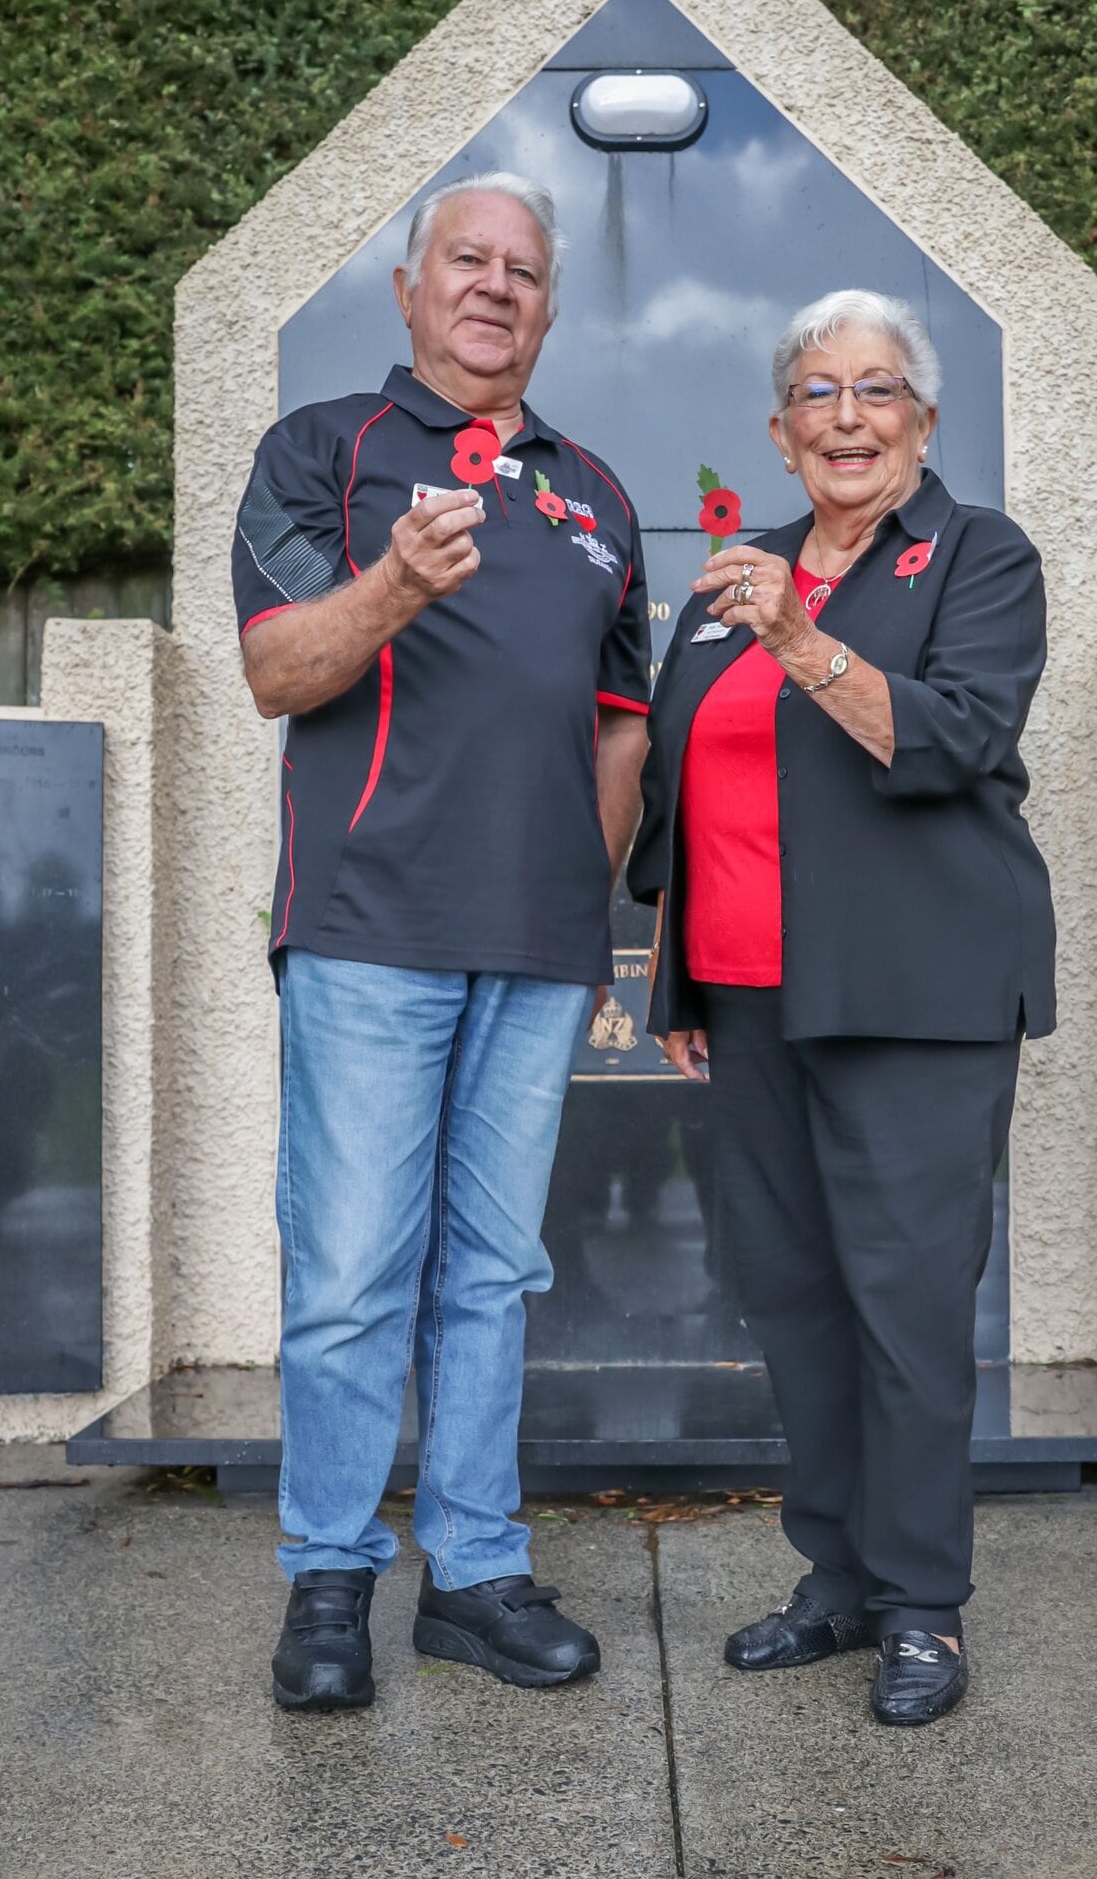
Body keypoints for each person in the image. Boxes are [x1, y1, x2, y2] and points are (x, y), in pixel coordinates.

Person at [232, 171, 651, 1711]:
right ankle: (328, 1581)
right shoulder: (322, 452)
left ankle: (472, 1574)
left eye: (523, 271)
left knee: (491, 1272)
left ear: (547, 308)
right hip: (365, 930)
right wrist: (396, 584)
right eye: (465, 262)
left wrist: (575, 900)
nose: (494, 287)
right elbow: (279, 670)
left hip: (535, 950)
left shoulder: (595, 496)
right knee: (351, 1272)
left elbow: (621, 733)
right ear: (409, 292)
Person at [628, 290, 1055, 1727]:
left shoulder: (975, 558)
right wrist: (678, 972)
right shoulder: (732, 584)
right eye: (816, 393)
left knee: (906, 1312)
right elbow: (688, 797)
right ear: (778, 429)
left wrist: (803, 640)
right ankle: (838, 1580)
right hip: (750, 1005)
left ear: (921, 423)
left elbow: (955, 738)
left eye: (877, 391)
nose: (846, 417)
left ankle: (922, 1606)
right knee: (798, 1306)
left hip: (912, 1001)